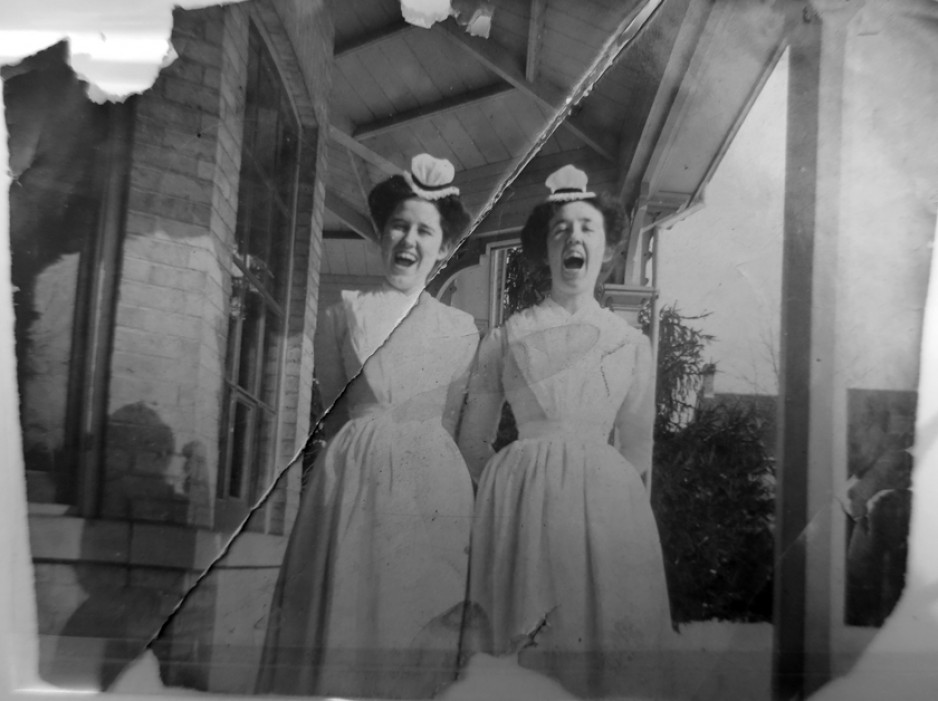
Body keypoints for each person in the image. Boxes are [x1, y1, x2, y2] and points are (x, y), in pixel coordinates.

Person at [256, 154, 479, 699]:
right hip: (353, 478)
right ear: (381, 234)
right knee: (347, 604)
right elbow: (336, 412)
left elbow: (450, 416)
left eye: (424, 231)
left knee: (418, 612)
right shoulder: (343, 313)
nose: (409, 239)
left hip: (431, 485)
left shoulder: (462, 328)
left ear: (444, 248)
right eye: (398, 225)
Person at [458, 165, 671, 698]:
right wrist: (509, 488)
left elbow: (637, 447)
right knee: (523, 637)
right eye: (560, 230)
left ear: (607, 248)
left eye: (587, 228)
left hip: (603, 511)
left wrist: (599, 489)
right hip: (520, 507)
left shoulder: (630, 344)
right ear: (545, 249)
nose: (574, 238)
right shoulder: (508, 337)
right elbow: (472, 440)